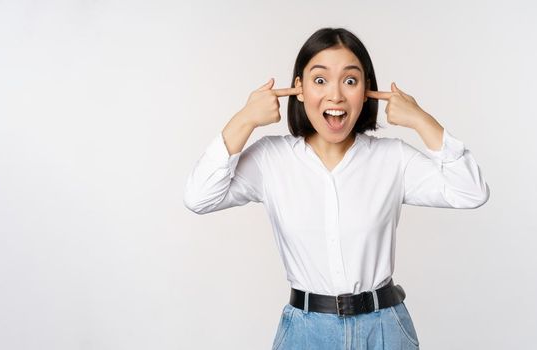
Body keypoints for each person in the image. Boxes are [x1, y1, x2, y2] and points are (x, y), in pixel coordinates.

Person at [184, 27, 490, 350]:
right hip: (305, 332)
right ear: (298, 89)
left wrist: (420, 119)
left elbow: (471, 190)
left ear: (366, 90)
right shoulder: (271, 160)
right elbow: (199, 196)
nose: (336, 96)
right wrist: (244, 119)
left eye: (350, 80)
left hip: (384, 329)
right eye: (319, 80)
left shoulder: (392, 159)